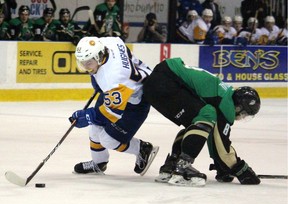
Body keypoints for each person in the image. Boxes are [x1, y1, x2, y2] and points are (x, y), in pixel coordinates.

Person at [143, 57, 261, 187]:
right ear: (239, 107)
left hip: (156, 83)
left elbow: (213, 135)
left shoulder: (223, 92)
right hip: (167, 81)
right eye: (244, 114)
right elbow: (221, 147)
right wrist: (240, 168)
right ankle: (182, 168)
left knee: (196, 124)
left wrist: (222, 166)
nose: (240, 117)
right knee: (208, 114)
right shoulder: (226, 104)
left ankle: (172, 165)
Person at [70, 36, 159, 175]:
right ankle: (99, 164)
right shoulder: (107, 43)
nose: (85, 67)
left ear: (99, 58)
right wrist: (96, 77)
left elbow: (111, 113)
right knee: (95, 129)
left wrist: (86, 116)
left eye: (88, 63)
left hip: (136, 101)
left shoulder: (112, 78)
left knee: (108, 139)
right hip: (124, 88)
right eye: (82, 62)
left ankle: (142, 148)